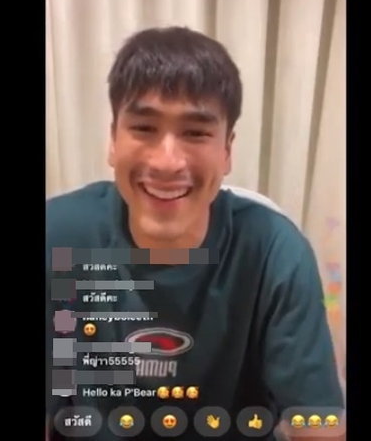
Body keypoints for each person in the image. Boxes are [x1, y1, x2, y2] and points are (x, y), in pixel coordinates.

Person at [46, 26, 344, 440]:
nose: (167, 162)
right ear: (113, 139)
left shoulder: (275, 252)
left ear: (227, 151)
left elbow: (317, 423)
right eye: (144, 128)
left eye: (196, 132)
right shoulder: (58, 237)